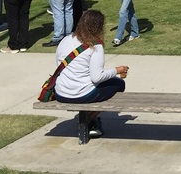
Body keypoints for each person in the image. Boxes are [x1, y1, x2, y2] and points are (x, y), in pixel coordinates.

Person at [53, 9, 129, 139]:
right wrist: (117, 70)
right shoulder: (95, 46)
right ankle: (90, 119)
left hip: (61, 92)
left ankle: (92, 121)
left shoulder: (65, 40)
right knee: (119, 84)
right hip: (82, 94)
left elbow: (59, 67)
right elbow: (97, 77)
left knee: (105, 84)